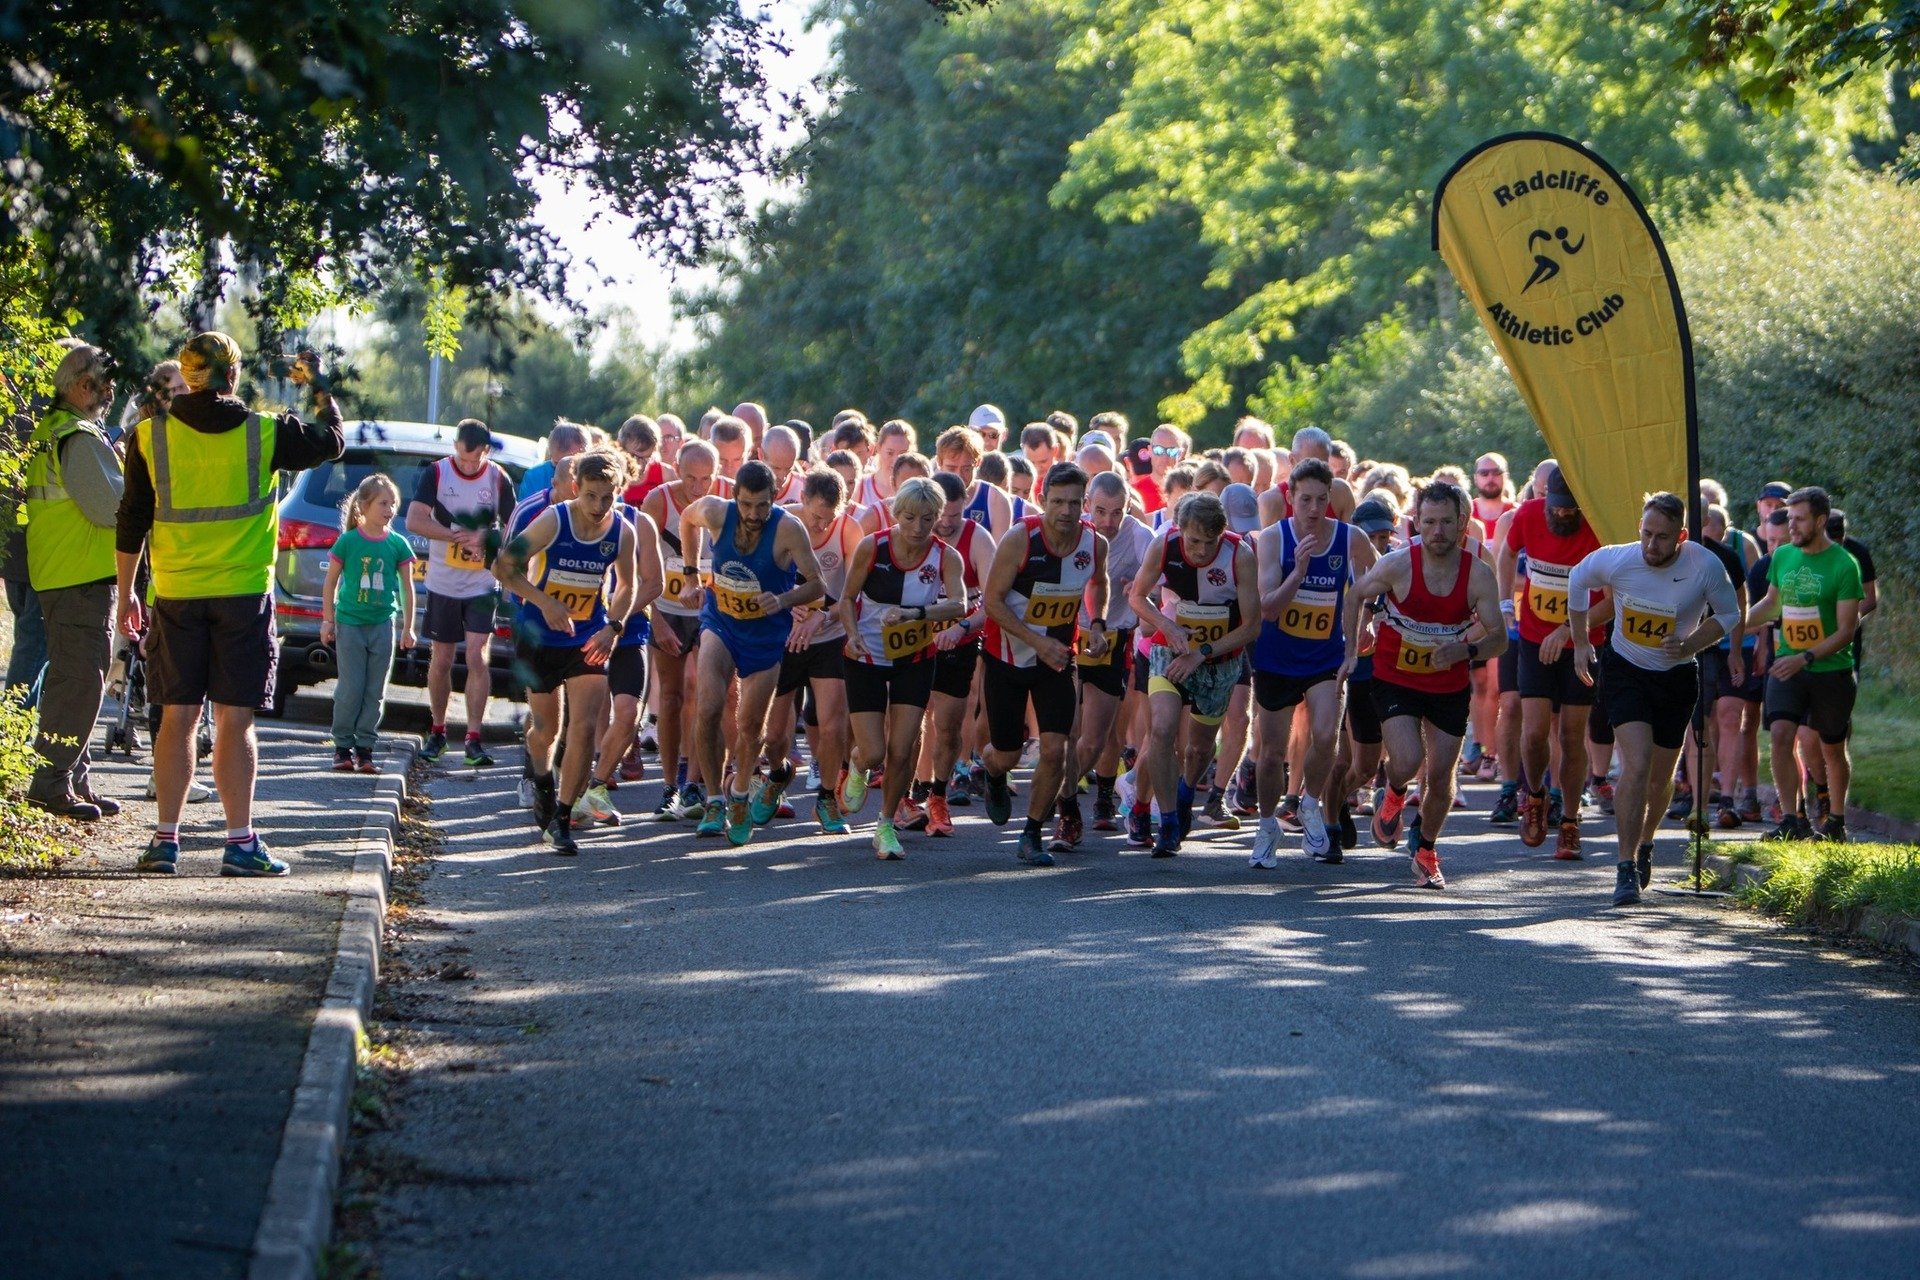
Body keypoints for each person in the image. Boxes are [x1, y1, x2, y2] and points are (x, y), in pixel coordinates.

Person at [116, 332, 345, 875]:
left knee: (176, 717)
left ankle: (165, 841)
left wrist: (127, 591)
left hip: (175, 592)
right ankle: (239, 843)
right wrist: (317, 384)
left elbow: (131, 519)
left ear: (188, 377)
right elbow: (331, 439)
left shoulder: (149, 438)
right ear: (234, 376)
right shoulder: (265, 433)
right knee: (235, 720)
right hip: (243, 595)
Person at [1567, 492, 1741, 905]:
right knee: (1637, 763)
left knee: (1661, 776)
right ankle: (1624, 865)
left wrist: (1689, 644)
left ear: (1680, 536)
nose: (1651, 545)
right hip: (1625, 669)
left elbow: (1729, 614)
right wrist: (1578, 642)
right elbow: (1576, 579)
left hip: (1676, 676)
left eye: (1661, 538)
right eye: (1646, 534)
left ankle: (1646, 841)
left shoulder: (1704, 565)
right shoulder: (1619, 559)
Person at [1340, 479, 1507, 889]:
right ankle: (1394, 791)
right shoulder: (1398, 563)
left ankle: (1427, 849)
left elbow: (1499, 636)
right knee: (1409, 759)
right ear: (1416, 523)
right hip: (1395, 677)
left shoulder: (1477, 575)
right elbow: (1356, 594)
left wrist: (1465, 652)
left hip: (1448, 684)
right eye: (1429, 522)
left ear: (1462, 524)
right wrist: (1351, 646)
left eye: (1446, 523)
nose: (1437, 532)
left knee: (1443, 776)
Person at [495, 451, 639, 854]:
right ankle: (541, 778)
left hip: (587, 635)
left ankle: (561, 817)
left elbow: (627, 585)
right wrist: (544, 602)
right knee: (546, 732)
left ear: (617, 494)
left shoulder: (623, 531)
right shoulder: (553, 521)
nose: (598, 507)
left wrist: (614, 625)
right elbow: (503, 567)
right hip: (540, 635)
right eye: (591, 496)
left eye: (607, 498)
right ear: (576, 488)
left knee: (584, 727)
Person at [680, 460, 826, 845]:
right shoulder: (714, 511)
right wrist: (692, 573)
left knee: (749, 727)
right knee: (708, 708)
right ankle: (714, 799)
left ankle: (741, 793)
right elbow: (685, 518)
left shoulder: (788, 529)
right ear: (734, 498)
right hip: (721, 624)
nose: (753, 514)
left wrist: (781, 600)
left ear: (774, 499)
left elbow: (817, 586)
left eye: (762, 505)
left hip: (764, 637)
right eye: (746, 505)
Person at [1249, 459, 1375, 867]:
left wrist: (1367, 623)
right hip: (1277, 659)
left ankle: (1311, 803)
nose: (1314, 509)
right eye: (1306, 500)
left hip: (1325, 657)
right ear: (1291, 498)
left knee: (1326, 736)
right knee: (1270, 754)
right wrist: (1298, 574)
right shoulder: (1272, 540)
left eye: (1322, 499)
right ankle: (1267, 825)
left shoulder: (1350, 539)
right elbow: (1267, 608)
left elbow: (1377, 581)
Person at [979, 464, 1107, 863]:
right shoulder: (1021, 539)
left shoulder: (1093, 543)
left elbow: (1097, 582)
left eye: (1073, 503)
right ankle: (993, 772)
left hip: (1057, 660)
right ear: (1042, 499)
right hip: (1007, 657)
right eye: (1057, 502)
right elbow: (992, 602)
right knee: (1008, 754)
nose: (1065, 511)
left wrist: (1097, 624)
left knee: (1055, 749)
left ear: (1084, 504)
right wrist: (1037, 641)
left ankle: (1031, 833)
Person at [837, 476, 969, 859]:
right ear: (896, 514)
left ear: (938, 518)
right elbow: (846, 598)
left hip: (914, 658)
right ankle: (859, 764)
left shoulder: (946, 556)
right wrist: (851, 634)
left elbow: (959, 605)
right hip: (866, 657)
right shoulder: (873, 547)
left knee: (904, 745)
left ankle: (884, 827)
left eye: (927, 519)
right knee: (876, 750)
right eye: (909, 518)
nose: (917, 528)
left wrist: (916, 613)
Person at [24, 342, 126, 819]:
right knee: (81, 682)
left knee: (81, 679)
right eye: (105, 385)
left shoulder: (55, 430)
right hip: (79, 575)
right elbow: (110, 508)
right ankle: (51, 782)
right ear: (84, 386)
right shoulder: (79, 436)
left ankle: (73, 779)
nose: (110, 393)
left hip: (65, 571)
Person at [1128, 491, 1260, 857]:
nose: (1201, 550)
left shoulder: (1240, 555)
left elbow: (1252, 626)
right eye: (1194, 541)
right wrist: (1166, 628)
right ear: (1179, 528)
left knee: (1200, 748)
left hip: (1218, 660)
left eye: (1210, 542)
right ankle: (1159, 817)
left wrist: (1202, 653)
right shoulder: (1164, 544)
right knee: (1162, 729)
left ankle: (1185, 793)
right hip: (1168, 650)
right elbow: (1137, 597)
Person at [1744, 485, 1863, 842]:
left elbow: (1846, 630)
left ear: (1820, 520)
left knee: (1831, 748)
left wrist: (1806, 658)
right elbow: (1771, 604)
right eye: (1788, 518)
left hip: (1830, 670)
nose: (1789, 526)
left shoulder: (1844, 565)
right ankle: (1793, 820)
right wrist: (1735, 625)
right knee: (1780, 734)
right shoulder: (1783, 557)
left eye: (1798, 519)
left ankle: (1837, 822)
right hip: (1788, 665)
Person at [1497, 463, 1603, 857]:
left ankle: (1571, 821)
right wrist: (1506, 601)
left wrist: (1569, 630)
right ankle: (1536, 796)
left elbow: (1613, 597)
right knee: (1534, 730)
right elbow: (1507, 554)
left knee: (1572, 736)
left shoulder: (1597, 529)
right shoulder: (1526, 515)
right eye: (1556, 506)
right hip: (1533, 640)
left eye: (1570, 509)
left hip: (1582, 644)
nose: (1561, 513)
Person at [408, 418, 516, 766]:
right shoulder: (437, 474)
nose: (470, 465)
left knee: (475, 656)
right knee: (441, 658)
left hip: (481, 583)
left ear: (486, 451)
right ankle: (438, 730)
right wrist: (455, 536)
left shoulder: (498, 478)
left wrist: (486, 538)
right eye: (464, 458)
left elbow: (515, 530)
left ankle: (473, 736)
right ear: (455, 447)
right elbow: (414, 521)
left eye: (476, 460)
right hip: (443, 582)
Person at [764, 468, 860, 834]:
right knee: (773, 734)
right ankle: (776, 775)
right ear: (802, 501)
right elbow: (760, 581)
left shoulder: (848, 531)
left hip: (827, 635)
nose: (821, 525)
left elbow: (853, 595)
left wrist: (820, 616)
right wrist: (789, 607)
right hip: (783, 636)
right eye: (816, 516)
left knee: (834, 722)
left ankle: (826, 798)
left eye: (828, 518)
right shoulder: (782, 522)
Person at [641, 438, 728, 819]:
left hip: (709, 612)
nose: (698, 487)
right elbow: (640, 567)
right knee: (672, 696)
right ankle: (669, 785)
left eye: (707, 478)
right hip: (666, 608)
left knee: (698, 688)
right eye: (691, 478)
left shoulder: (723, 502)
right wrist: (655, 620)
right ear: (676, 470)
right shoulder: (658, 502)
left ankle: (693, 784)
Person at [1067, 471, 1152, 838]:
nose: (1108, 522)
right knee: (1067, 731)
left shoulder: (1139, 536)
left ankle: (1102, 795)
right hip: (1069, 636)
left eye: (1117, 513)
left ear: (1129, 508)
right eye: (1100, 511)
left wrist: (1142, 588)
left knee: (1101, 733)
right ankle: (1064, 802)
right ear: (1087, 506)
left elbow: (1164, 580)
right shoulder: (1072, 532)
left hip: (1113, 639)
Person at [913, 470, 997, 837]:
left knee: (946, 726)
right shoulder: (913, 533)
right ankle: (906, 794)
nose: (945, 524)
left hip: (958, 641)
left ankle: (938, 794)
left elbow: (994, 601)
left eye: (954, 516)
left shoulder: (977, 538)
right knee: (906, 722)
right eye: (939, 516)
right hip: (914, 640)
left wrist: (963, 626)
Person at [578, 492, 665, 826]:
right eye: (594, 487)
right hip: (584, 630)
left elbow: (654, 583)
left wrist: (619, 616)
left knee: (627, 712)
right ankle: (572, 790)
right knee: (586, 714)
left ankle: (597, 786)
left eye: (608, 489)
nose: (601, 498)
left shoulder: (639, 522)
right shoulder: (568, 520)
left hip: (627, 629)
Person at [321, 476, 417, 773]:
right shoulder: (348, 541)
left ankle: (365, 749)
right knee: (351, 687)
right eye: (383, 503)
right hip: (349, 623)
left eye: (393, 504)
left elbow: (407, 588)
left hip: (381, 625)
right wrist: (328, 620)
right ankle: (342, 747)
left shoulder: (398, 544)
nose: (389, 510)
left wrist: (408, 627)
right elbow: (331, 582)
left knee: (374, 690)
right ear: (363, 506)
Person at [517, 420, 589, 501]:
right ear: (550, 453)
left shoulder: (594, 477)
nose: (561, 469)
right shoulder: (534, 475)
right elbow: (526, 510)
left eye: (571, 465)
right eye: (556, 464)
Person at [617, 415, 676, 506]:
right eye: (634, 456)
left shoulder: (667, 475)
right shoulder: (612, 474)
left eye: (647, 458)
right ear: (621, 447)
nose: (640, 464)